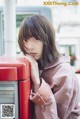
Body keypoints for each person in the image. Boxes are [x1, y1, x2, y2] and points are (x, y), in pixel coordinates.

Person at [18, 14, 80, 119]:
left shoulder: (64, 74)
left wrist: (37, 82)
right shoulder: (31, 64)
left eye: (36, 39)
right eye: (25, 40)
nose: (29, 46)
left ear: (48, 39)